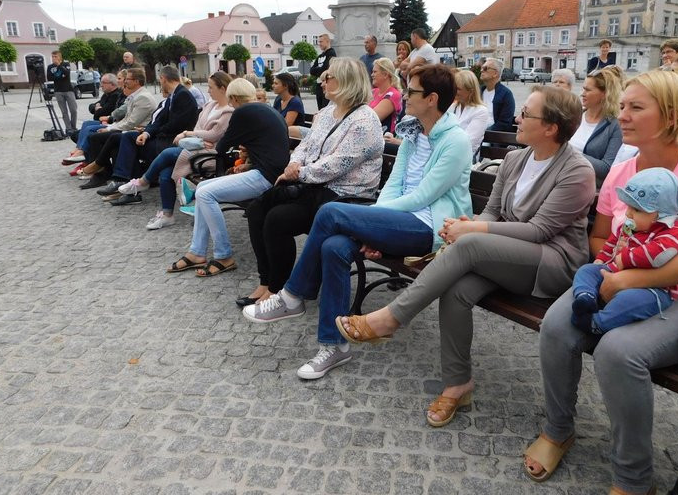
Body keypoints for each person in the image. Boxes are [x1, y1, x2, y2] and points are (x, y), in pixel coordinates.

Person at [526, 69, 678, 494]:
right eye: (622, 105)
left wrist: (630, 279)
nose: (622, 115)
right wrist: (615, 274)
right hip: (618, 279)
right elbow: (600, 236)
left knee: (619, 353)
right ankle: (558, 429)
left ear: (672, 115)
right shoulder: (623, 173)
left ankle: (633, 479)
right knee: (555, 325)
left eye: (636, 107)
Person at [336, 84, 595, 422]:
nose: (517, 117)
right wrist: (467, 226)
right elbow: (492, 212)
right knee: (457, 290)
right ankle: (458, 384)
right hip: (507, 256)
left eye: (527, 113)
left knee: (469, 242)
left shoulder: (577, 171)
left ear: (551, 127)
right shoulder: (515, 159)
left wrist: (472, 230)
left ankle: (390, 319)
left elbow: (540, 231)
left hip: (552, 263)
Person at [246, 63, 475, 385]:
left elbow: (424, 196)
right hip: (398, 218)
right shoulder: (413, 130)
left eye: (412, 92)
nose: (405, 96)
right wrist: (373, 224)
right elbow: (396, 183)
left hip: (430, 226)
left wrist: (374, 223)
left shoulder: (455, 141)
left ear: (433, 98)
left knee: (331, 213)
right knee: (334, 246)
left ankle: (293, 295)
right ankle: (333, 345)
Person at [241, 57, 384, 308]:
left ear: (346, 82)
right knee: (257, 209)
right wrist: (293, 163)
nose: (321, 81)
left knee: (277, 219)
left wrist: (299, 173)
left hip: (343, 197)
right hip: (315, 187)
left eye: (327, 77)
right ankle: (266, 282)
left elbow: (337, 165)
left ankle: (279, 288)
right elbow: (306, 146)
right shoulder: (329, 112)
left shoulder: (364, 121)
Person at [167, 81, 291, 276]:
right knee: (204, 188)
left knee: (205, 192)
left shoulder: (243, 113)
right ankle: (197, 252)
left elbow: (221, 147)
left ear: (233, 99)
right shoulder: (265, 109)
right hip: (271, 173)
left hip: (266, 177)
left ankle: (224, 256)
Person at [571, 167, 678, 334]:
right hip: (616, 272)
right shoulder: (630, 226)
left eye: (637, 210)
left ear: (661, 215)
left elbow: (660, 255)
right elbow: (612, 241)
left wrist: (625, 258)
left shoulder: (672, 232)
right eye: (628, 207)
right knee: (586, 270)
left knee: (630, 301)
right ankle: (585, 297)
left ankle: (598, 323)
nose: (629, 213)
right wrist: (601, 260)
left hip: (651, 288)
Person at [114, 71, 234, 229]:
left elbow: (214, 134)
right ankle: (167, 215)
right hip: (196, 147)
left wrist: (188, 134)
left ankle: (143, 182)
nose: (208, 90)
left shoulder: (228, 111)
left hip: (209, 154)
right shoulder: (210, 105)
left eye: (211, 87)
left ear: (223, 88)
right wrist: (198, 138)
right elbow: (199, 127)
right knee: (165, 171)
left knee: (168, 153)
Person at [93, 66, 198, 202]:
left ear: (163, 79)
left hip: (171, 142)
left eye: (160, 81)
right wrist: (146, 133)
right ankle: (125, 183)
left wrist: (150, 133)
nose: (160, 84)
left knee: (125, 141)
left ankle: (123, 181)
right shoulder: (175, 94)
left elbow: (176, 124)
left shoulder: (182, 94)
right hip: (165, 138)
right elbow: (159, 121)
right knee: (126, 138)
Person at [568, 66, 623, 186]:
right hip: (563, 175)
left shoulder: (614, 125)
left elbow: (606, 168)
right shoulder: (576, 114)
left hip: (586, 185)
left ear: (604, 94)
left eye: (588, 90)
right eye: (583, 89)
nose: (582, 94)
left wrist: (569, 152)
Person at [63, 73, 124, 166]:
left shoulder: (116, 95)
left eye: (104, 82)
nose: (101, 85)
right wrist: (96, 108)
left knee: (89, 132)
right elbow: (91, 107)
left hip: (109, 123)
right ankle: (81, 153)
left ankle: (86, 158)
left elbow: (104, 112)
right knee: (81, 129)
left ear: (112, 84)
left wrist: (98, 110)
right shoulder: (106, 95)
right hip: (103, 121)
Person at [448, 69, 492, 155]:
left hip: (465, 157)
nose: (454, 91)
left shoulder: (481, 111)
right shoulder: (453, 107)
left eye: (458, 89)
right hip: (448, 153)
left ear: (470, 91)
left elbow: (467, 142)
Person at [478, 58, 515, 131]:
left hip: (494, 138)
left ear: (495, 73)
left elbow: (504, 123)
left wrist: (485, 133)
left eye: (485, 68)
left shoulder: (506, 94)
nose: (481, 70)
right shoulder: (479, 91)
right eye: (482, 68)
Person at [369, 57, 403, 134]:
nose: (372, 75)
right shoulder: (374, 92)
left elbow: (371, 119)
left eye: (375, 72)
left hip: (384, 140)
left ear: (385, 75)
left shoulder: (393, 95)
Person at [47, 50, 77, 136]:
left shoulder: (66, 64)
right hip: (58, 91)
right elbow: (49, 77)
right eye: (52, 57)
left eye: (55, 56)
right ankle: (68, 129)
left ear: (60, 57)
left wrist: (59, 66)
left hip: (68, 90)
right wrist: (60, 76)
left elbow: (67, 73)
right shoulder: (50, 67)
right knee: (64, 111)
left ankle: (73, 126)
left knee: (73, 110)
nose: (53, 58)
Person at [310, 33, 336, 109]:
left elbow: (326, 68)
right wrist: (319, 69)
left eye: (321, 42)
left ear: (327, 41)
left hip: (327, 85)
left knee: (326, 107)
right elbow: (312, 71)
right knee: (320, 108)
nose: (319, 44)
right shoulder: (320, 56)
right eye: (319, 42)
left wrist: (318, 69)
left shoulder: (331, 53)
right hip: (319, 85)